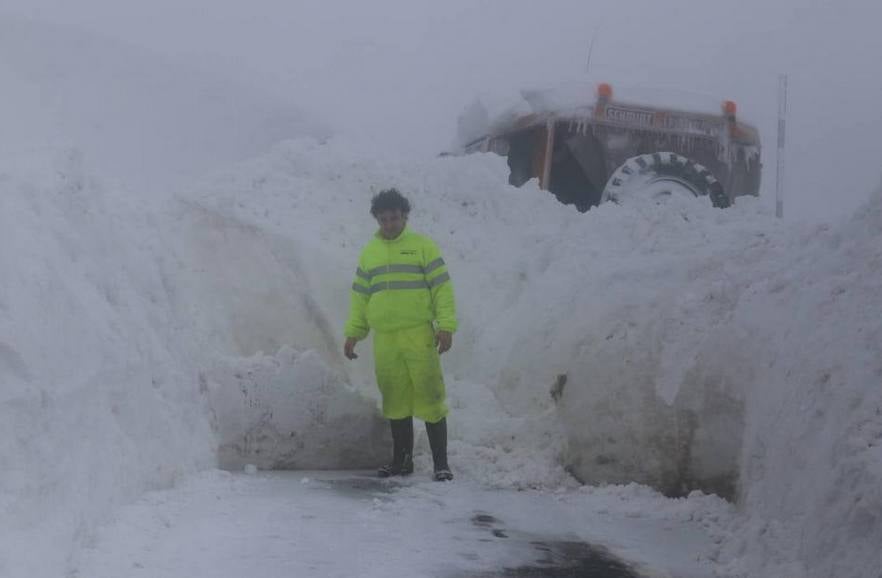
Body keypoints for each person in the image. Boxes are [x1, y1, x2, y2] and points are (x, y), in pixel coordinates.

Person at [343, 188, 457, 482]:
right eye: (384, 219)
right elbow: (360, 297)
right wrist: (354, 333)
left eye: (394, 218)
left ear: (404, 216)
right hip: (385, 338)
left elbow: (442, 288)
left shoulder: (423, 247)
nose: (390, 224)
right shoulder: (370, 253)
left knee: (430, 394)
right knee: (394, 397)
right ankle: (401, 461)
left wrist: (446, 325)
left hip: (418, 333)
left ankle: (441, 464)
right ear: (377, 220)